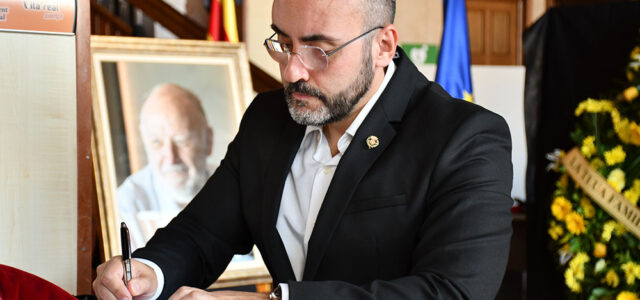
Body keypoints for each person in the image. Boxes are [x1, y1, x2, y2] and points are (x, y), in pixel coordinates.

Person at [94, 0, 514, 299]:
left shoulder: (466, 137)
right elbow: (202, 234)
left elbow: (452, 291)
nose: (293, 70)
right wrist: (148, 273)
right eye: (283, 41)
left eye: (319, 49)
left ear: (383, 46)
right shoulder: (267, 119)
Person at [117, 83, 215, 249]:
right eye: (156, 142)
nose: (171, 158)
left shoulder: (237, 187)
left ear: (209, 141)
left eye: (181, 141)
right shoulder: (126, 204)